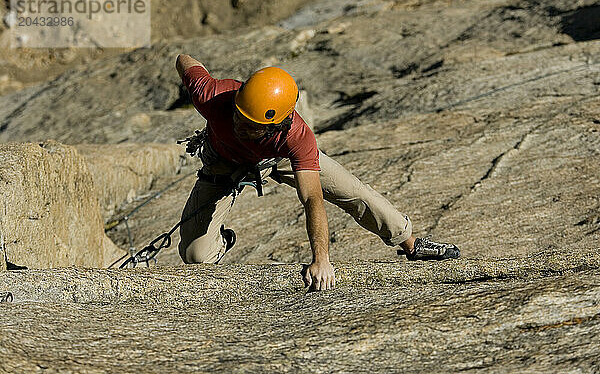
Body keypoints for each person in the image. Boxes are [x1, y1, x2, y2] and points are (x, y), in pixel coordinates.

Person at [175, 54, 460, 292]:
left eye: (250, 124)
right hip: (224, 162)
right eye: (238, 114)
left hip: (277, 157)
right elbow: (183, 60)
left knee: (353, 192)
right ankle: (222, 241)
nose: (239, 123)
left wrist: (321, 259)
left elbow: (312, 197)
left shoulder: (297, 137)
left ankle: (411, 243)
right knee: (195, 256)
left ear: (279, 124)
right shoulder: (212, 97)